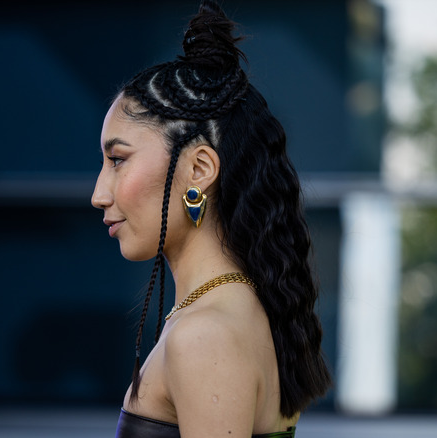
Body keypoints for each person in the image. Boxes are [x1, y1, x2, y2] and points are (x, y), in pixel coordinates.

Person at [91, 1, 332, 437]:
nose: (98, 193)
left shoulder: (206, 335)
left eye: (118, 160)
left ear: (199, 169)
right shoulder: (232, 313)